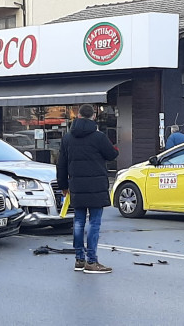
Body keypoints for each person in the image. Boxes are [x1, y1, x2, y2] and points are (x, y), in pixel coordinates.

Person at [56, 104, 119, 274]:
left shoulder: (68, 138)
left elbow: (61, 164)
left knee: (78, 222)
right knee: (94, 222)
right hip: (96, 186)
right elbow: (112, 154)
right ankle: (92, 261)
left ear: (78, 116)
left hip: (76, 185)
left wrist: (63, 185)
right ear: (93, 116)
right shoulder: (99, 137)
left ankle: (79, 259)